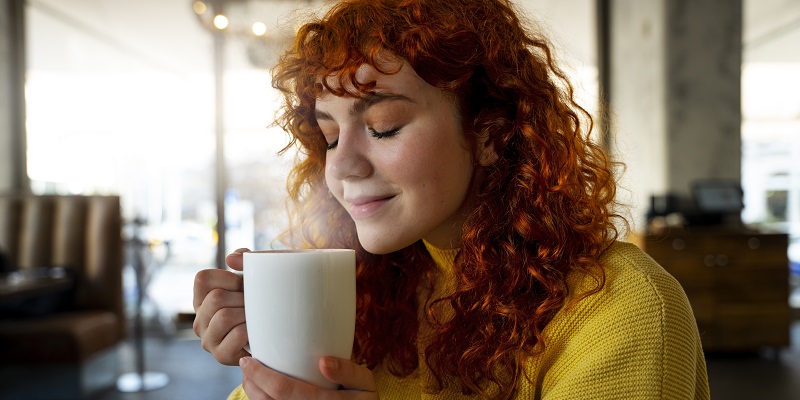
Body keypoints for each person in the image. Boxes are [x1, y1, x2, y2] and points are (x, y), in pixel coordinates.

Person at [192, 0, 711, 398]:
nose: (341, 166)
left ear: (490, 132)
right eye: (329, 137)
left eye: (384, 127)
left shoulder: (620, 308)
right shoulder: (366, 289)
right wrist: (268, 357)